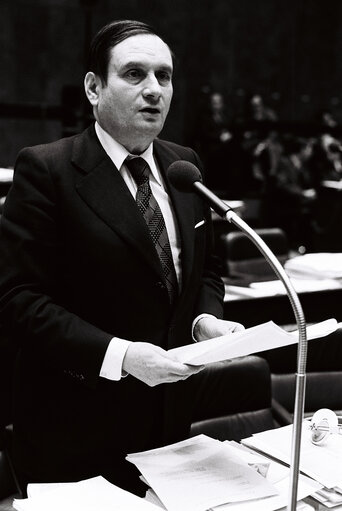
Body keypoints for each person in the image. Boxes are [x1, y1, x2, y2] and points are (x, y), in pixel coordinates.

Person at [0, 20, 244, 496]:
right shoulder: (46, 168)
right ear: (95, 88)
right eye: (134, 74)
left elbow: (205, 269)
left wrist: (205, 320)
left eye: (164, 76)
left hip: (169, 419)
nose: (154, 90)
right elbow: (17, 299)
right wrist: (123, 355)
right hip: (75, 424)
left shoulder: (182, 165)